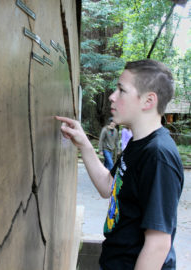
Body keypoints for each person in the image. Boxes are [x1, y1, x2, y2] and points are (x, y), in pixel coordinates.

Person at [56, 59, 184, 270]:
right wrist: (85, 145)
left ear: (148, 101)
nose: (112, 96)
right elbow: (109, 186)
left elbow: (158, 245)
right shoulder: (138, 143)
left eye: (121, 90)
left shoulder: (158, 156)